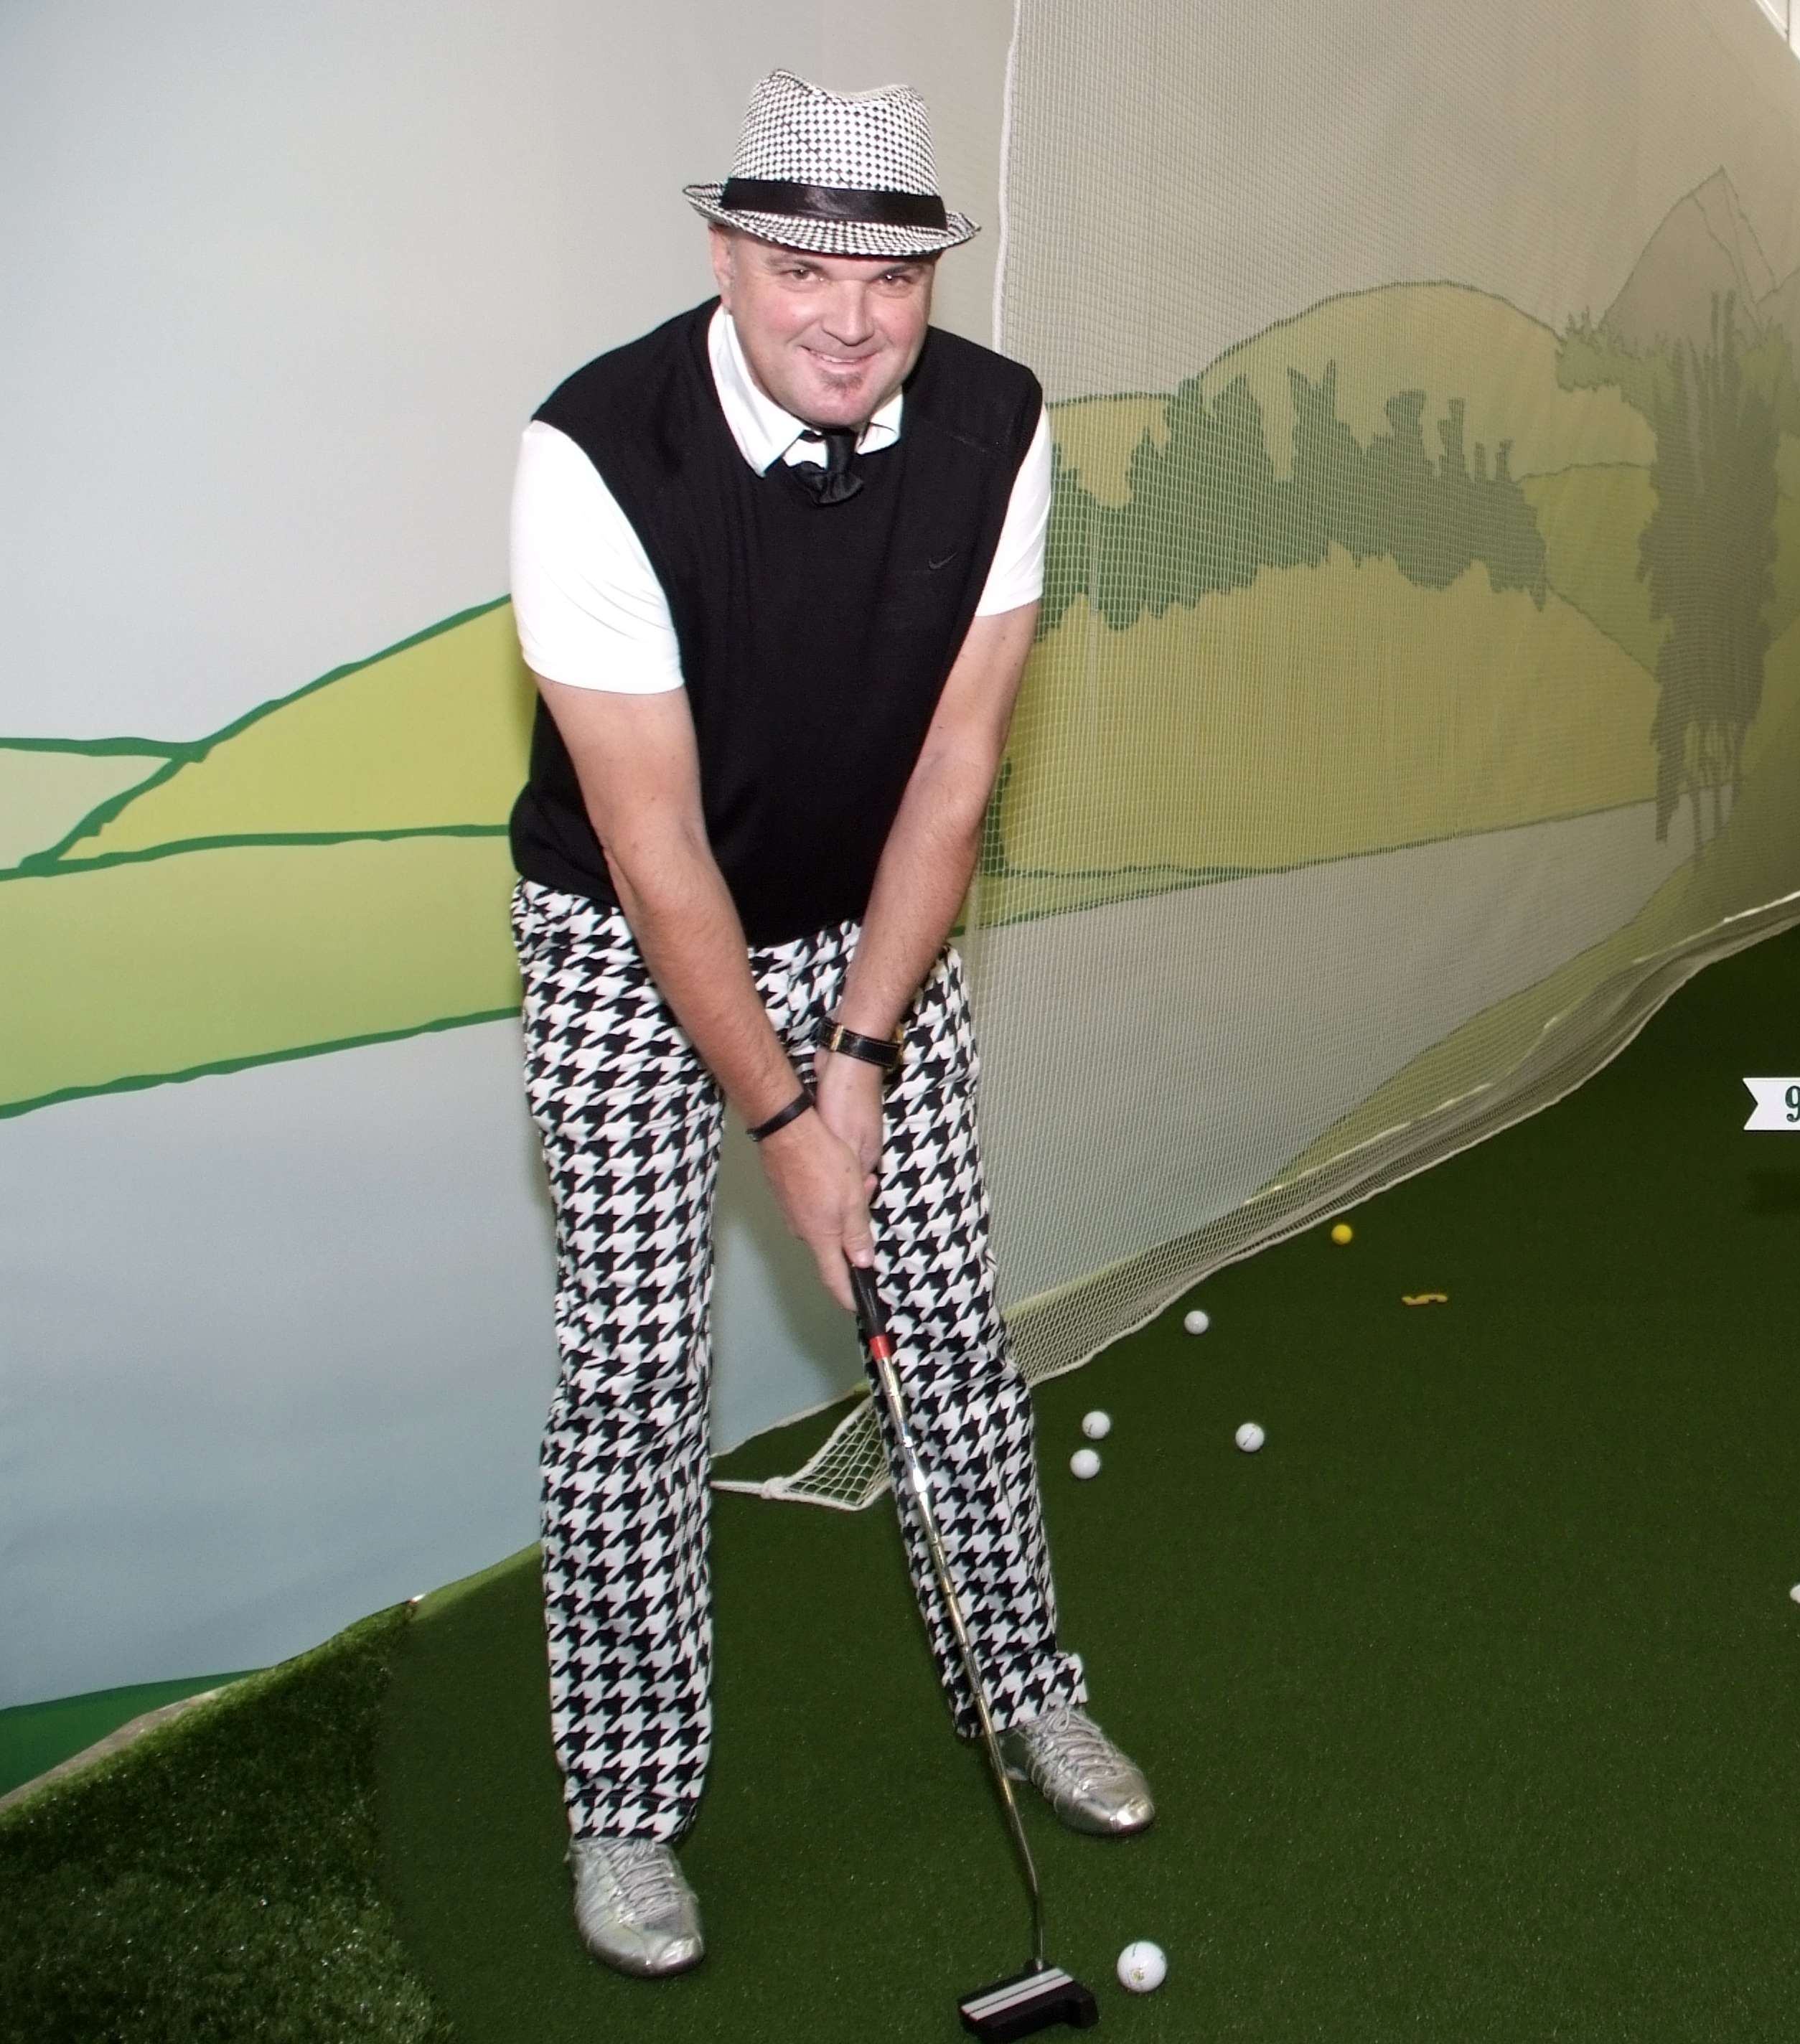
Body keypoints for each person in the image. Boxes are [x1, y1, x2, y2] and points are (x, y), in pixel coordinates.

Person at [504, 71, 1150, 1981]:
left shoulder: (1000, 425)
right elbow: (654, 852)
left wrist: (856, 1057)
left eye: (892, 278)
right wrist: (786, 1123)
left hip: (870, 923)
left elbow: (958, 766)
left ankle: (1024, 1687)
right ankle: (626, 1805)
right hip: (628, 936)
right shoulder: (595, 452)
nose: (850, 321)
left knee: (943, 1316)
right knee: (638, 1370)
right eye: (802, 270)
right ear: (727, 257)